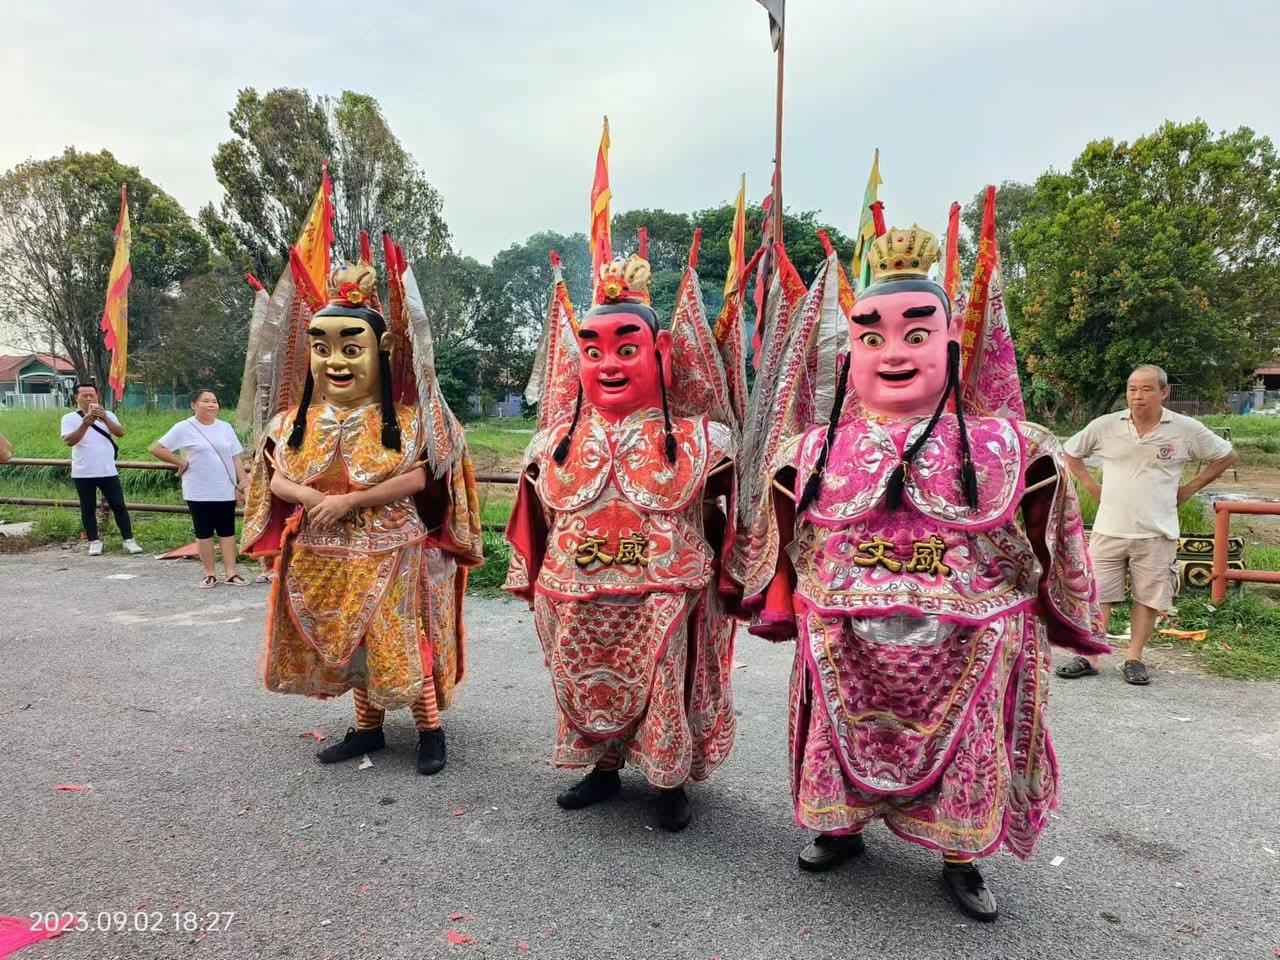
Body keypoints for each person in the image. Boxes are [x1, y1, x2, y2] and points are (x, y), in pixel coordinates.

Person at [737, 225, 1106, 921]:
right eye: (871, 337)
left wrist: (1066, 615)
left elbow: (1055, 543)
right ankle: (839, 830)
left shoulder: (1012, 447)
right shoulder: (809, 451)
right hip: (843, 641)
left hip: (967, 643)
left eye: (915, 333)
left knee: (969, 752)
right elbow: (778, 546)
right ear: (850, 351)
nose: (894, 353)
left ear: (952, 343)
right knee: (835, 739)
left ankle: (961, 857)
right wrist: (774, 604)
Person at [504, 248, 741, 833]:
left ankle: (668, 780)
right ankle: (603, 768)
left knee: (663, 684)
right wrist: (532, 578)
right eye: (593, 351)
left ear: (662, 352)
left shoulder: (701, 440)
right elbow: (533, 519)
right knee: (582, 676)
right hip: (576, 591)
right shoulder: (553, 443)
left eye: (626, 349)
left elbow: (731, 511)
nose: (608, 364)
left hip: (661, 594)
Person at [241, 255, 483, 777]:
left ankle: (430, 730)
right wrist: (312, 499)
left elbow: (419, 479)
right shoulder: (291, 423)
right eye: (322, 348)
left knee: (396, 639)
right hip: (320, 551)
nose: (335, 362)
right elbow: (274, 479)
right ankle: (367, 728)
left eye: (351, 349)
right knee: (349, 642)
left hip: (392, 549)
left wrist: (349, 501)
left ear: (382, 350)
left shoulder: (411, 422)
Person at [1058, 364, 1238, 685]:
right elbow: (1071, 452)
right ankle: (1090, 656)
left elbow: (1226, 455)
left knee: (1147, 597)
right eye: (1132, 389)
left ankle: (1134, 658)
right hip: (1109, 528)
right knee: (1099, 596)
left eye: (1146, 389)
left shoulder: (1184, 428)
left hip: (1157, 531)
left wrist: (1189, 489)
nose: (1137, 396)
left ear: (1164, 392)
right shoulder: (1105, 425)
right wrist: (1090, 486)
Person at [150, 389, 249, 588]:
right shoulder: (184, 427)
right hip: (198, 490)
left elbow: (235, 457)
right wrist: (180, 462)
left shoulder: (225, 427)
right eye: (205, 401)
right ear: (194, 405)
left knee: (227, 531)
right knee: (204, 532)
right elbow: (156, 448)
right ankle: (210, 573)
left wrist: (243, 482)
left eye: (214, 401)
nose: (211, 404)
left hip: (224, 488)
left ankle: (231, 573)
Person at [60, 382, 142, 556]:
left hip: (107, 470)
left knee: (119, 505)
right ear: (76, 397)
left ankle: (129, 540)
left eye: (92, 395)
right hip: (83, 471)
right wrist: (86, 423)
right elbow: (69, 441)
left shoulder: (109, 415)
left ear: (97, 396)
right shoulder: (69, 418)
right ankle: (94, 541)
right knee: (87, 507)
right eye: (85, 395)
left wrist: (104, 418)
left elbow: (120, 433)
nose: (89, 398)